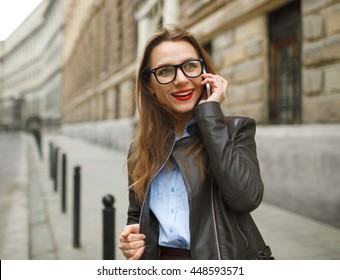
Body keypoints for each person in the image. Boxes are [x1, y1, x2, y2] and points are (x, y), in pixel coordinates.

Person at [119, 25, 273, 260]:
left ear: (205, 72)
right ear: (149, 85)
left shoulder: (235, 130)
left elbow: (246, 198)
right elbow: (136, 214)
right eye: (165, 71)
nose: (181, 80)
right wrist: (132, 239)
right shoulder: (140, 148)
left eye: (190, 66)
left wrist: (210, 114)